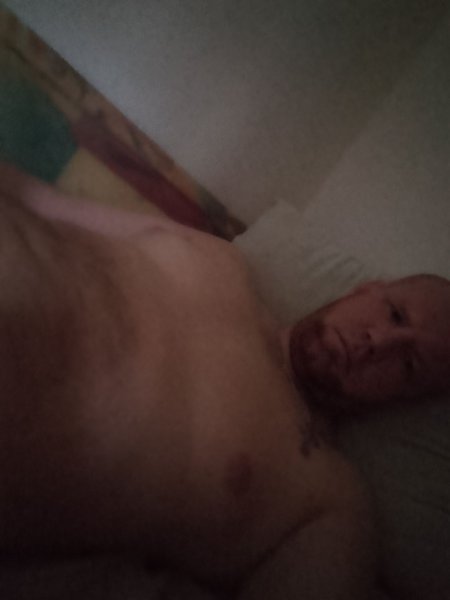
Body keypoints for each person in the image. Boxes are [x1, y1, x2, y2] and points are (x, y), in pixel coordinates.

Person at [1, 162, 450, 599]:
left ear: (401, 400)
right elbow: (40, 199)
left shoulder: (327, 498)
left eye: (409, 364)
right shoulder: (220, 258)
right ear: (364, 290)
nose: (378, 342)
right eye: (396, 315)